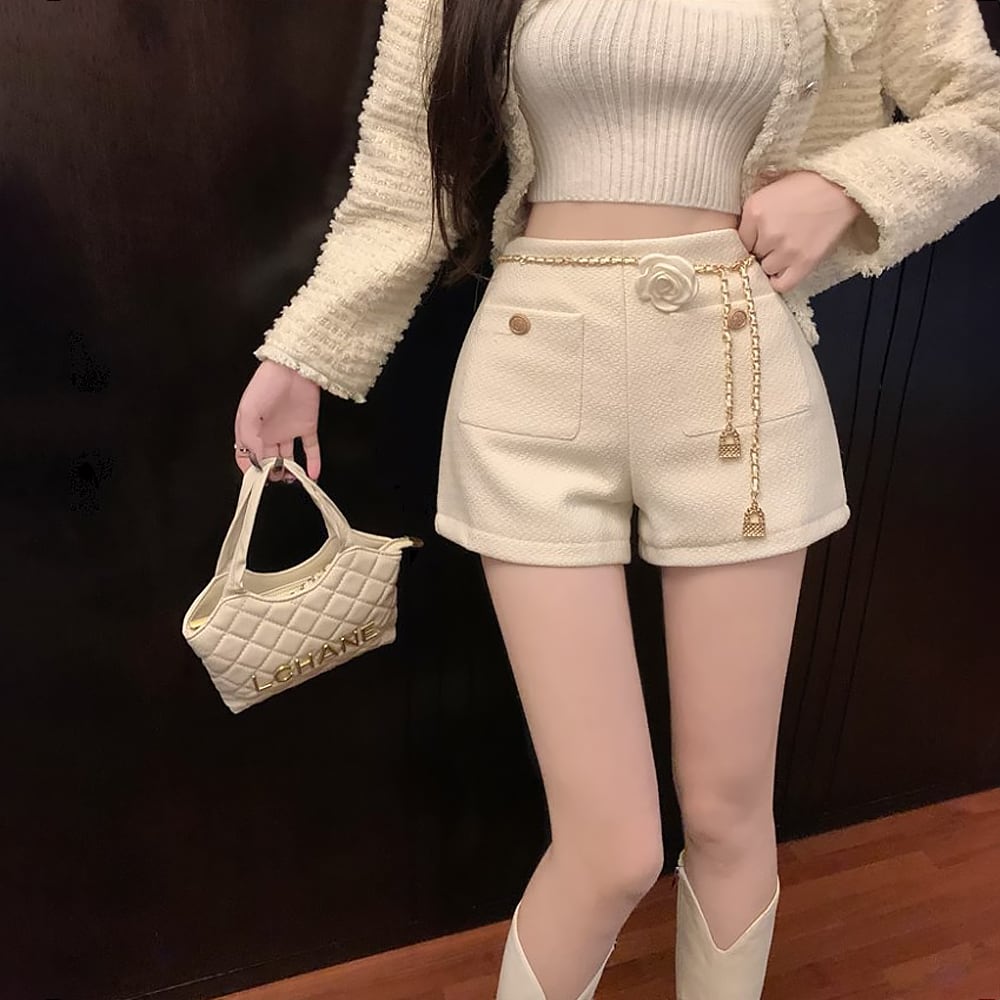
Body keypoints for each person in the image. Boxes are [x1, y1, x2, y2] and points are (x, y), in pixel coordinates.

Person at [233, 1, 1000, 997]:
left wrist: (845, 188)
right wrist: (305, 354)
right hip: (531, 377)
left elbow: (982, 108)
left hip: (735, 378)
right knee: (611, 846)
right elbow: (401, 184)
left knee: (727, 814)